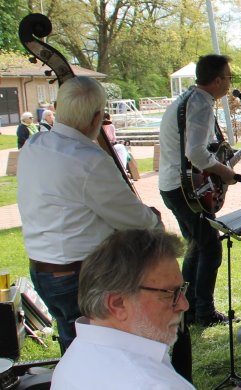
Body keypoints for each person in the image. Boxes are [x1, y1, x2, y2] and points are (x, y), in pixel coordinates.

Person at [17, 76, 162, 353]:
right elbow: (131, 217)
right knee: (97, 351)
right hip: (78, 275)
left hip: (43, 271)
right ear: (97, 117)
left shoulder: (33, 145)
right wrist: (153, 219)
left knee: (73, 345)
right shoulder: (88, 159)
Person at [52, 229, 241, 390]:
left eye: (182, 289)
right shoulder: (149, 383)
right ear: (118, 304)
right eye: (169, 293)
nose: (184, 304)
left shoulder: (79, 353)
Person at [159, 54, 241, 327]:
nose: (230, 83)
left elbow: (201, 153)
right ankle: (202, 310)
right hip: (183, 189)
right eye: (229, 77)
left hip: (173, 186)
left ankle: (189, 308)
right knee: (210, 248)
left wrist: (239, 155)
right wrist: (225, 172)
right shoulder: (201, 104)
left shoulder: (188, 100)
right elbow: (196, 153)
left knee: (197, 247)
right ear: (217, 80)